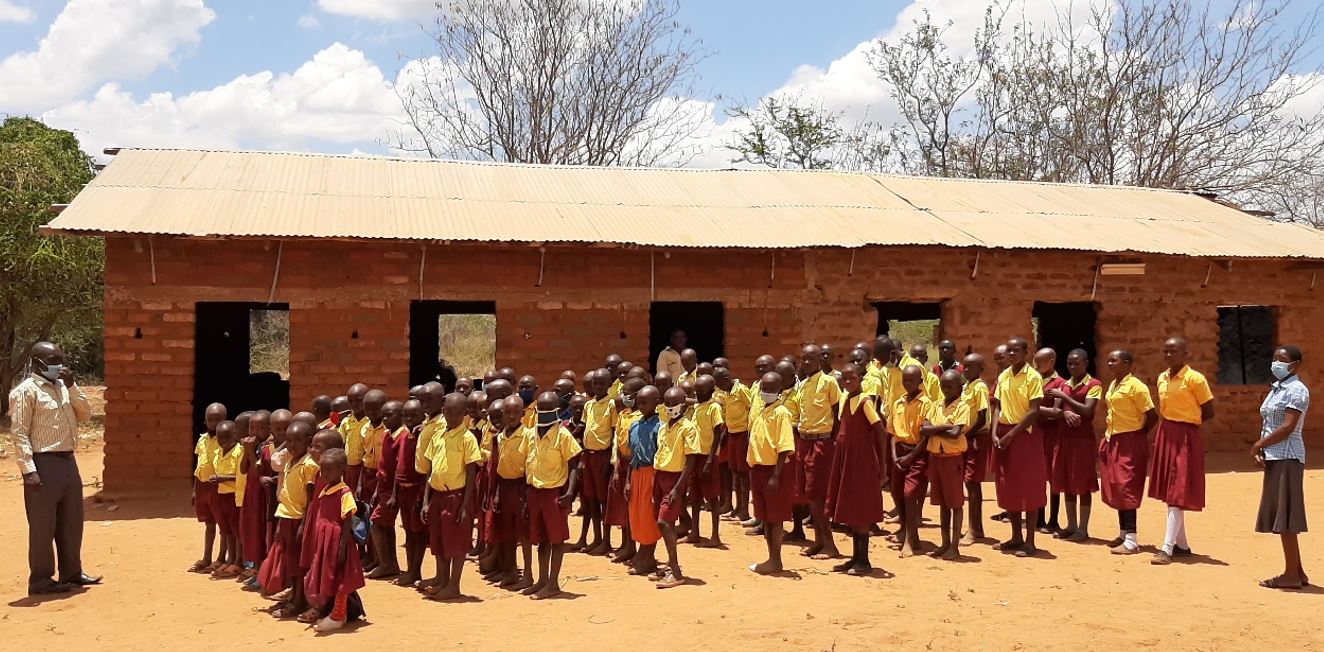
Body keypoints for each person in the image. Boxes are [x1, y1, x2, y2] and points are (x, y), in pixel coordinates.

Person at [8, 341, 100, 595]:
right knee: (43, 525)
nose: (58, 365)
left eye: (60, 360)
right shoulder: (25, 392)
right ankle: (41, 580)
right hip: (43, 462)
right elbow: (19, 433)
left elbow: (85, 415)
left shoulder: (63, 387)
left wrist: (72, 386)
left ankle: (72, 573)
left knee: (72, 521)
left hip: (68, 461)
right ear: (37, 362)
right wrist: (28, 469)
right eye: (52, 361)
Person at [1150, 337, 1215, 565]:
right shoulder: (1162, 377)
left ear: (1185, 354)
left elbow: (1209, 411)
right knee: (1171, 491)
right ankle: (1183, 546)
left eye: (1174, 351)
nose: (1169, 355)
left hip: (1186, 436)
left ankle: (1166, 548)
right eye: (1166, 351)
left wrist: (1188, 423)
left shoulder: (1195, 379)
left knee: (1177, 490)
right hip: (1166, 433)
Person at [1254, 345, 1310, 590]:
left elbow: (1288, 426)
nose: (1277, 363)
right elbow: (1269, 422)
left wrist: (1259, 445)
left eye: (1283, 359)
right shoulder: (1277, 388)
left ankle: (1290, 575)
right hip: (1275, 456)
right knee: (1282, 514)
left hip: (1288, 456)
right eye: (1275, 358)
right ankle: (1297, 572)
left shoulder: (1297, 390)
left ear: (1295, 365)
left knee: (1286, 517)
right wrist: (1263, 449)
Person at [825, 363, 887, 575]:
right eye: (844, 378)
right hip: (847, 460)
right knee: (852, 507)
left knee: (860, 509)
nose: (848, 382)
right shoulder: (846, 399)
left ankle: (864, 561)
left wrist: (883, 466)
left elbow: (880, 431)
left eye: (852, 378)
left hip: (861, 461)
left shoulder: (864, 401)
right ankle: (855, 557)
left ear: (861, 378)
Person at [419, 392, 481, 601]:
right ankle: (443, 581)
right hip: (437, 496)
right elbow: (430, 470)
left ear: (464, 414)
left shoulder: (468, 438)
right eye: (448, 413)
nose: (452, 417)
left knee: (456, 543)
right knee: (439, 541)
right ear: (443, 412)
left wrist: (465, 506)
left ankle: (454, 585)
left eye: (457, 414)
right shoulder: (438, 435)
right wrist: (426, 501)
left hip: (456, 497)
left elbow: (471, 473)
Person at [990, 337, 1046, 557]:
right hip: (1003, 434)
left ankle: (1030, 541)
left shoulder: (1033, 377)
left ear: (1026, 353)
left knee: (1029, 486)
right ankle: (1016, 537)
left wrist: (1011, 435)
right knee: (1008, 486)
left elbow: (1034, 411)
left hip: (1024, 436)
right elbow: (998, 406)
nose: (1011, 354)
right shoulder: (1004, 376)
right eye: (1009, 351)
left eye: (1016, 350)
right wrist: (995, 432)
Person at [523, 391, 582, 599]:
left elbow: (573, 466)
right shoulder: (530, 434)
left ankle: (553, 583)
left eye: (548, 410)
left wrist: (570, 492)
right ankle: (541, 580)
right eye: (541, 410)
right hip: (534, 492)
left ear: (556, 411)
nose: (543, 414)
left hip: (554, 494)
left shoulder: (563, 435)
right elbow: (527, 465)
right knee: (541, 540)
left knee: (556, 540)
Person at [301, 448, 367, 632]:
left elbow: (347, 521)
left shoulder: (344, 492)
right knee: (328, 576)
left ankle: (338, 615)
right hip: (326, 542)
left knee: (341, 578)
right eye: (323, 470)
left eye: (329, 470)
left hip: (337, 542)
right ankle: (337, 611)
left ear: (341, 470)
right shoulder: (325, 489)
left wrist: (342, 547)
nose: (325, 473)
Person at [257, 420, 317, 619]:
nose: (291, 445)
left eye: (297, 440)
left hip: (298, 520)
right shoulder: (290, 461)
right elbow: (285, 494)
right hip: (286, 518)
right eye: (288, 440)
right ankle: (294, 597)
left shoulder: (309, 465)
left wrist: (304, 525)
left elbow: (310, 500)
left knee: (299, 564)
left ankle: (299, 601)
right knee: (290, 562)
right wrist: (280, 525)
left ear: (309, 440)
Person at [1101, 349, 1158, 555]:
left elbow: (1152, 415)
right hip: (1113, 438)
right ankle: (1123, 533)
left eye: (1114, 361)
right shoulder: (1113, 385)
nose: (1109, 364)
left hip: (1130, 440)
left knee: (1127, 486)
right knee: (1117, 485)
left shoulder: (1136, 386)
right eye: (1108, 360)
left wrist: (1139, 433)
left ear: (1126, 363)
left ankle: (1132, 540)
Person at [1045, 349, 1102, 542]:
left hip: (1082, 441)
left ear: (1086, 363)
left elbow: (1087, 411)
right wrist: (1064, 413)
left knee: (1083, 484)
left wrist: (1065, 398)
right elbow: (1055, 412)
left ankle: (1083, 529)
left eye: (1076, 363)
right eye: (1069, 363)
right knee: (1066, 482)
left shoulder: (1094, 385)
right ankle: (1071, 525)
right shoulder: (1065, 385)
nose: (1072, 367)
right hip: (1064, 439)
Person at [796, 344, 842, 560]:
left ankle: (830, 545)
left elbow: (837, 414)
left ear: (820, 360)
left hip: (821, 443)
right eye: (803, 359)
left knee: (818, 496)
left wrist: (832, 441)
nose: (806, 363)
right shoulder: (803, 385)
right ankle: (818, 541)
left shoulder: (829, 382)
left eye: (811, 359)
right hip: (804, 442)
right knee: (809, 495)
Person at [747, 371, 795, 575]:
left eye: (770, 389)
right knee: (765, 516)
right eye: (763, 388)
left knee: (775, 518)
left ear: (779, 390)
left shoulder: (781, 413)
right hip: (758, 469)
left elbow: (785, 447)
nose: (766, 392)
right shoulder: (762, 410)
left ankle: (776, 560)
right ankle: (771, 558)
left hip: (774, 471)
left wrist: (776, 475)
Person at [654, 387, 700, 588]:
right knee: (667, 523)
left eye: (675, 404)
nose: (671, 407)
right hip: (660, 476)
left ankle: (676, 572)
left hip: (675, 479)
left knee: (663, 522)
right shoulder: (664, 426)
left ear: (683, 405)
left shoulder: (688, 428)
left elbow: (691, 460)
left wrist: (679, 487)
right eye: (667, 404)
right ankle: (670, 566)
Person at [489, 397, 534, 590]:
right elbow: (499, 467)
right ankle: (511, 571)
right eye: (508, 413)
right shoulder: (500, 437)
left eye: (516, 412)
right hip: (505, 487)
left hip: (521, 487)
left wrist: (528, 495)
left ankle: (528, 574)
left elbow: (530, 465)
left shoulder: (528, 435)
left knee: (524, 534)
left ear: (523, 413)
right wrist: (497, 493)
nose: (512, 416)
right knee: (507, 532)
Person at [890, 365, 933, 558]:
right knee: (896, 492)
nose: (907, 383)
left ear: (920, 382)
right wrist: (894, 456)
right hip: (899, 452)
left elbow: (926, 436)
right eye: (905, 380)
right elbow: (892, 433)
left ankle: (909, 538)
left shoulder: (926, 404)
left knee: (910, 493)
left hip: (918, 452)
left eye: (912, 380)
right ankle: (908, 531)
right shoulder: (898, 403)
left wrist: (910, 456)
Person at [928, 370, 971, 560]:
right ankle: (944, 543)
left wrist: (934, 429)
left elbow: (955, 434)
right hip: (936, 458)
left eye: (950, 386)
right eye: (943, 386)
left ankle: (954, 546)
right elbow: (924, 428)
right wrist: (945, 427)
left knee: (955, 503)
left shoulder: (962, 406)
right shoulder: (936, 405)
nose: (946, 389)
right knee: (943, 504)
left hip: (952, 459)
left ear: (959, 388)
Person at [391, 399, 429, 588]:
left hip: (417, 491)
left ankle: (415, 570)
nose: (410, 419)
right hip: (403, 491)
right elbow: (398, 467)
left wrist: (423, 497)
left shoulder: (424, 436)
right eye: (406, 415)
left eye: (414, 415)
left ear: (423, 416)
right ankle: (410, 570)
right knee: (408, 532)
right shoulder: (404, 436)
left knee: (418, 533)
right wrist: (394, 494)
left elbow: (427, 469)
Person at [577, 369, 616, 555]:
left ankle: (606, 541)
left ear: (609, 385)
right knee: (591, 499)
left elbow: (614, 433)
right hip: (588, 456)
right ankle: (596, 538)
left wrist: (611, 460)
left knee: (603, 501)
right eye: (595, 383)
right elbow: (584, 428)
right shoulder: (588, 405)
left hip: (603, 456)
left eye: (602, 384)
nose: (598, 387)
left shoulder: (612, 405)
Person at [626, 386, 664, 576]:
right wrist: (628, 480)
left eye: (644, 402)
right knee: (637, 516)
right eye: (638, 402)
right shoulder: (634, 426)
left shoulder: (661, 427)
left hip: (652, 474)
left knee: (649, 517)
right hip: (636, 473)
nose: (640, 406)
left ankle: (647, 557)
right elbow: (631, 455)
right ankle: (644, 554)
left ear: (656, 402)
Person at [366, 400, 406, 579]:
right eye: (383, 416)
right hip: (382, 486)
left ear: (401, 416)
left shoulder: (402, 437)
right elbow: (382, 466)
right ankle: (391, 564)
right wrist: (377, 490)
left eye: (389, 415)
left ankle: (385, 564)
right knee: (386, 526)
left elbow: (399, 468)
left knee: (375, 523)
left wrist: (394, 495)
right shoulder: (387, 435)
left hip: (392, 490)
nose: (385, 419)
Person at [608, 378, 645, 564]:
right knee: (622, 507)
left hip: (634, 465)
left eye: (628, 394)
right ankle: (626, 545)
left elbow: (635, 449)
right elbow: (618, 442)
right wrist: (616, 468)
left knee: (633, 507)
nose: (624, 397)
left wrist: (628, 475)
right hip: (621, 463)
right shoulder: (623, 414)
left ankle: (635, 547)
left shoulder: (640, 418)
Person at [689, 374, 726, 548]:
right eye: (696, 390)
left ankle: (715, 536)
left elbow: (718, 434)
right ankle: (694, 532)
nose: (697, 393)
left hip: (708, 457)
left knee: (712, 497)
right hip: (695, 456)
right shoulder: (697, 407)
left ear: (711, 391)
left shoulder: (714, 408)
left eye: (701, 391)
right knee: (695, 497)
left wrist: (710, 460)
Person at [1034, 348, 1068, 534]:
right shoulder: (1034, 380)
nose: (1037, 365)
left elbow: (1056, 412)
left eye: (1041, 361)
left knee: (1053, 477)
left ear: (1052, 361)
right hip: (1037, 433)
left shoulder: (1060, 383)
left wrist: (1033, 409)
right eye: (1036, 361)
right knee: (1038, 476)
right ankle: (1039, 517)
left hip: (1053, 435)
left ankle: (1053, 519)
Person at [190, 403, 226, 574]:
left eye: (217, 420)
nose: (213, 423)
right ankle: (206, 557)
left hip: (218, 487)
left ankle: (221, 558)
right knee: (208, 523)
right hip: (202, 487)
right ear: (205, 421)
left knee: (223, 525)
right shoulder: (202, 439)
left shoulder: (226, 441)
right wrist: (194, 489)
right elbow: (199, 465)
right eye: (210, 420)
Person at [715, 366, 754, 525]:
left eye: (719, 383)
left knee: (743, 473)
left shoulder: (741, 390)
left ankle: (744, 510)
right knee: (735, 471)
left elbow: (751, 408)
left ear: (726, 379)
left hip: (742, 434)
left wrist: (750, 433)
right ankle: (737, 507)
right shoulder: (726, 393)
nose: (719, 387)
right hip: (731, 433)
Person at [958, 354, 990, 545]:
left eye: (971, 367)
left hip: (976, 437)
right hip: (967, 437)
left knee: (972, 482)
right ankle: (977, 528)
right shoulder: (966, 387)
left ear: (981, 369)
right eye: (965, 366)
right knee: (969, 482)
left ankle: (973, 529)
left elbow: (981, 417)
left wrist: (967, 436)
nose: (966, 370)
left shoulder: (980, 387)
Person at [209, 420, 243, 579]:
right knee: (226, 529)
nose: (223, 441)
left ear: (235, 435)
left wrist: (222, 478)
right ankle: (230, 559)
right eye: (220, 438)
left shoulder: (239, 452)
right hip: (221, 495)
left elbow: (241, 477)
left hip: (233, 496)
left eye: (227, 437)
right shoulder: (217, 452)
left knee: (236, 530)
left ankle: (238, 561)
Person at [340, 383, 369, 499]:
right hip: (349, 468)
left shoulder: (370, 421)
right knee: (349, 497)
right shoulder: (346, 422)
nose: (354, 404)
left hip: (365, 468)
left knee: (364, 497)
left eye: (358, 400)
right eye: (350, 401)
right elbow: (341, 444)